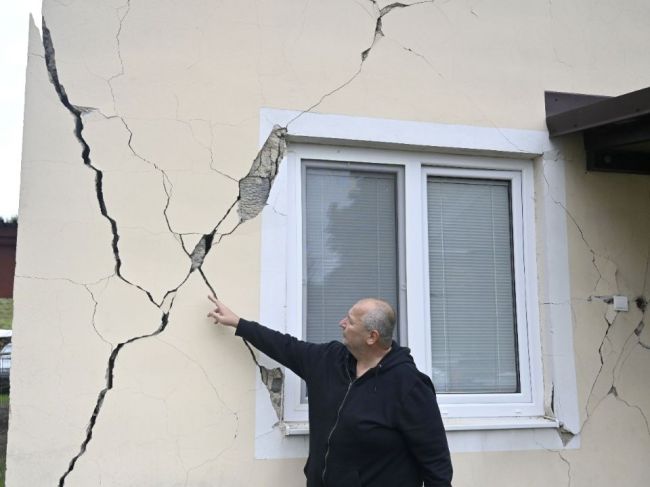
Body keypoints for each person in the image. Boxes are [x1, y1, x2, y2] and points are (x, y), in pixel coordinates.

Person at [208, 296, 453, 487]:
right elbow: (286, 346)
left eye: (350, 321)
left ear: (372, 336)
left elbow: (436, 463)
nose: (342, 323)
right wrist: (239, 323)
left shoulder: (409, 386)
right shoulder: (329, 360)